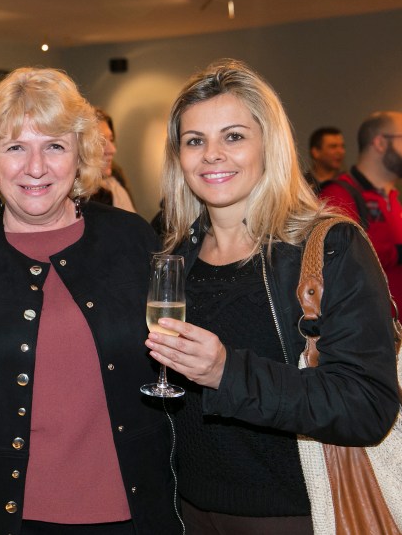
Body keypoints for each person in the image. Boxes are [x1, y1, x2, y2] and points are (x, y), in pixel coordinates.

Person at [0, 67, 180, 534]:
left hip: (132, 513)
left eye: (54, 146)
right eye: (15, 147)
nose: (35, 168)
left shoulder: (133, 241)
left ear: (80, 155)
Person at [147, 59, 399, 534]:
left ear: (270, 145)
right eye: (194, 141)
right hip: (185, 513)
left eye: (234, 136)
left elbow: (367, 405)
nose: (212, 155)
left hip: (299, 515)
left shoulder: (329, 248)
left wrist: (226, 372)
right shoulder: (172, 256)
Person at [319, 111, 402, 303]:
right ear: (380, 143)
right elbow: (343, 265)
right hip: (372, 328)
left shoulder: (391, 196)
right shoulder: (338, 196)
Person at [90, 110, 136, 213]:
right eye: (101, 142)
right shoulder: (68, 198)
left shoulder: (116, 185)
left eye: (111, 139)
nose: (112, 150)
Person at [303, 126, 345, 192]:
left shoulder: (347, 184)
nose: (340, 151)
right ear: (315, 152)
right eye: (333, 147)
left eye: (342, 146)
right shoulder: (303, 185)